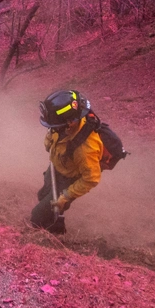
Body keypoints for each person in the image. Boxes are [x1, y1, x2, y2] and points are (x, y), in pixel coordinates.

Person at [31, 90, 104, 234]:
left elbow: (91, 178)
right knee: (42, 195)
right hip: (57, 167)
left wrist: (66, 196)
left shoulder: (85, 149)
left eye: (54, 126)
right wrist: (49, 142)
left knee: (37, 217)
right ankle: (52, 217)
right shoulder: (63, 124)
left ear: (70, 123)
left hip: (69, 179)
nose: (52, 128)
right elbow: (53, 134)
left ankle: (52, 233)